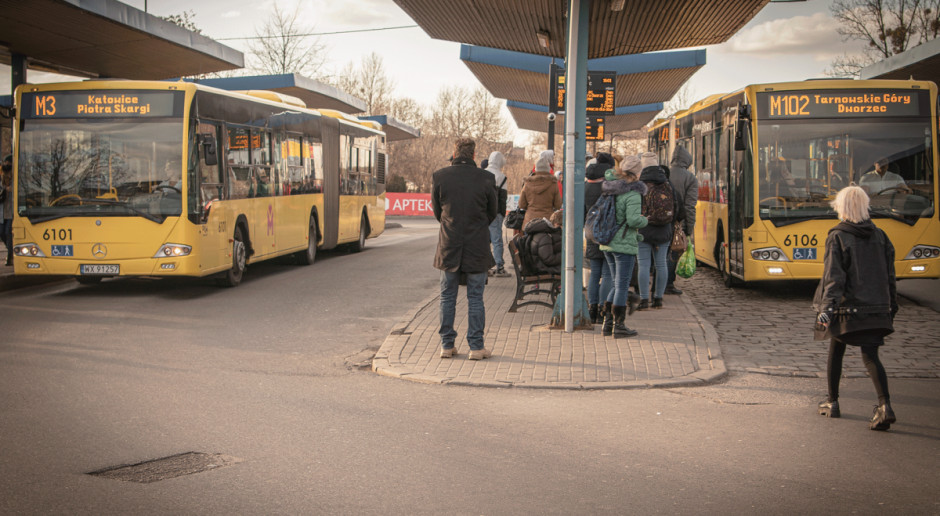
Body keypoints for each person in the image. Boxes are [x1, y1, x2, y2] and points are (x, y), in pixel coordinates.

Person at [813, 185, 898, 431]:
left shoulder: (838, 236)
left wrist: (826, 310)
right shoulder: (881, 236)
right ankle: (885, 406)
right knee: (871, 356)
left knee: (836, 349)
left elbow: (834, 279)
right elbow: (890, 276)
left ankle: (832, 401)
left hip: (847, 312)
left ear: (841, 208)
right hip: (877, 310)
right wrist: (891, 306)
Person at [432, 138, 497, 360]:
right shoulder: (487, 178)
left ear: (455, 152)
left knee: (447, 297)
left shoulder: (440, 176)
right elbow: (492, 212)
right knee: (476, 297)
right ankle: (476, 347)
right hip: (477, 246)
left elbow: (437, 212)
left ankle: (446, 345)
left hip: (449, 245)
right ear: (474, 154)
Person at [598, 155, 648, 338]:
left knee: (615, 282)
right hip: (623, 245)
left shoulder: (611, 189)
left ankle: (607, 323)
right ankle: (619, 326)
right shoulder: (632, 193)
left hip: (608, 242)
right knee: (621, 284)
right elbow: (633, 219)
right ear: (636, 172)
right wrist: (644, 220)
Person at [636, 152, 679, 310]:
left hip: (643, 228)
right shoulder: (667, 183)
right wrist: (670, 223)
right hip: (664, 230)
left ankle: (643, 299)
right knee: (661, 264)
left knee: (643, 265)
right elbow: (676, 205)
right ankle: (658, 298)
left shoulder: (639, 184)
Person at [584, 152, 616, 323]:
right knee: (608, 274)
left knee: (594, 273)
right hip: (608, 234)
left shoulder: (585, 185)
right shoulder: (610, 186)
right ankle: (604, 309)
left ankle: (592, 309)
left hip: (590, 234)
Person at [666, 146, 698, 295]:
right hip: (678, 222)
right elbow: (690, 206)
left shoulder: (665, 173)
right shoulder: (690, 178)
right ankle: (668, 283)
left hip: (660, 220)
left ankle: (658, 285)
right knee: (673, 251)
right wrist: (689, 229)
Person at [518, 153, 561, 229]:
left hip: (530, 222)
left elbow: (521, 204)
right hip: (548, 221)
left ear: (536, 168)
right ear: (548, 169)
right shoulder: (553, 184)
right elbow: (558, 205)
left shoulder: (527, 183)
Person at [485, 151, 509, 277]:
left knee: (484, 240)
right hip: (496, 213)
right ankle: (499, 266)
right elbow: (502, 198)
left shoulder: (482, 173)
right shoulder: (502, 177)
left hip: (483, 212)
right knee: (497, 240)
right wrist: (502, 214)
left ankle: (485, 267)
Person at [1, 155, 12, 266]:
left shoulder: (15, 180)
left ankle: (10, 256)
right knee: (2, 233)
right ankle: (11, 250)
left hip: (11, 213)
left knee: (8, 232)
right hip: (2, 212)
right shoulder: (2, 179)